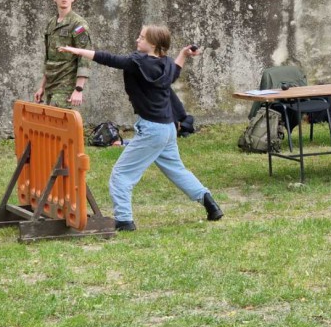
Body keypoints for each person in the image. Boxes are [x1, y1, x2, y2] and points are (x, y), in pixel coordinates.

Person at [58, 25, 223, 231]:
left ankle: (124, 221)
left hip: (153, 130)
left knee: (121, 174)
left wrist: (77, 51)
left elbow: (107, 58)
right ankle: (209, 202)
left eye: (141, 37)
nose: (137, 40)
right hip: (168, 128)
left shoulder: (137, 63)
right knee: (176, 169)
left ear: (152, 44)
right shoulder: (166, 63)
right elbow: (174, 72)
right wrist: (183, 54)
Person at [34, 0, 93, 108]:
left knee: (56, 123)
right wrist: (42, 87)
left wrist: (78, 89)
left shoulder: (78, 24)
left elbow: (85, 57)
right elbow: (48, 58)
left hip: (66, 86)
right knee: (51, 123)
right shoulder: (51, 24)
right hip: (51, 85)